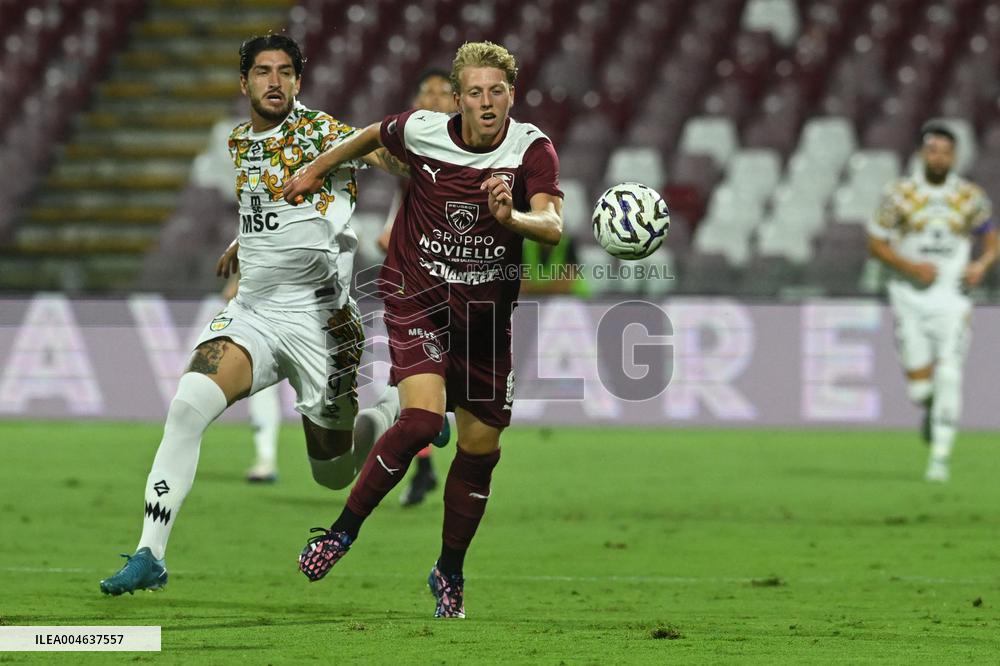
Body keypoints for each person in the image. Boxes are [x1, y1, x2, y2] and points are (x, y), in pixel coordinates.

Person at [99, 34, 410, 596]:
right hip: (256, 314)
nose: (275, 81)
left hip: (323, 327)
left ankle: (391, 412)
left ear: (298, 80)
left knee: (331, 474)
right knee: (188, 405)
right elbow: (269, 205)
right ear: (244, 83)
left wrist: (423, 159)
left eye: (285, 72)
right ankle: (150, 552)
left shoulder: (323, 132)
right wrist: (242, 243)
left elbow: (388, 157)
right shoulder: (242, 142)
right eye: (263, 72)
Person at [284, 41, 564, 618]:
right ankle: (340, 533)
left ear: (512, 94)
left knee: (480, 449)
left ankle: (448, 570)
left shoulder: (532, 149)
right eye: (475, 92)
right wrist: (315, 170)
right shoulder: (423, 130)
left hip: (485, 323)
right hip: (417, 298)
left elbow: (553, 224)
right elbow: (369, 136)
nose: (486, 103)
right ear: (458, 98)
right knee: (417, 419)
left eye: (497, 91)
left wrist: (512, 217)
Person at [867, 121, 996, 482]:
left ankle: (939, 460)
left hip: (952, 299)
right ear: (923, 153)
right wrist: (908, 265)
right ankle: (930, 407)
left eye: (945, 151)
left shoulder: (969, 197)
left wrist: (980, 266)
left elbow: (991, 240)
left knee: (951, 373)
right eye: (932, 150)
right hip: (908, 297)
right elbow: (875, 244)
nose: (938, 157)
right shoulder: (898, 195)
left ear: (954, 156)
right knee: (920, 387)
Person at [377, 67, 459, 507]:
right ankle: (426, 462)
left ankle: (432, 438)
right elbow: (392, 227)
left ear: (458, 101)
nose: (431, 98)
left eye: (442, 92)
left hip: (456, 281)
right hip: (416, 283)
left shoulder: (467, 155)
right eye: (424, 91)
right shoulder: (415, 159)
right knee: (404, 386)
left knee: (412, 387)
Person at [221, 273, 283, 483]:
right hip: (273, 321)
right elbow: (231, 290)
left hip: (310, 317)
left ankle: (345, 454)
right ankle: (266, 459)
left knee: (325, 392)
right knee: (263, 387)